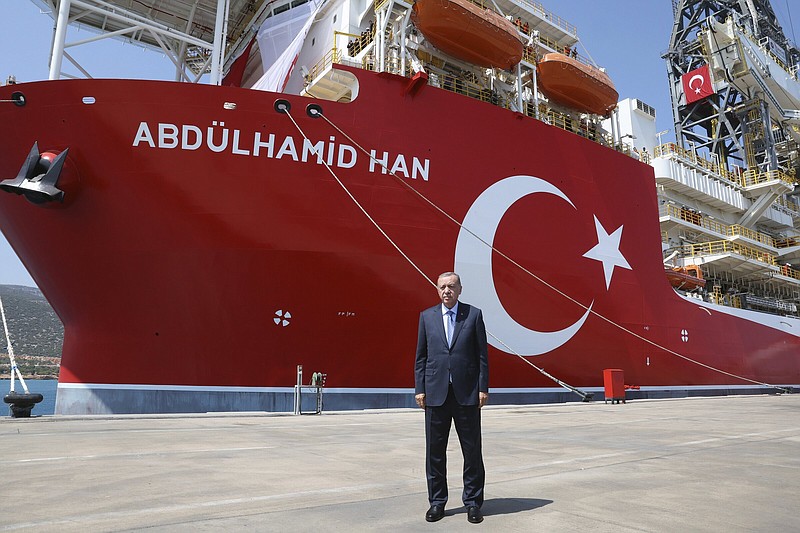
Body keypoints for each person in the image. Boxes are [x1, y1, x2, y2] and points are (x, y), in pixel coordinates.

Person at [414, 272, 489, 524]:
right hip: (435, 394)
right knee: (434, 452)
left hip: (466, 393)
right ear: (437, 290)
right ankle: (437, 502)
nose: (447, 290)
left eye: (451, 286)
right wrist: (419, 389)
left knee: (472, 451)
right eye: (442, 287)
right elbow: (421, 358)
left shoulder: (474, 315)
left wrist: (482, 388)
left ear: (460, 289)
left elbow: (481, 356)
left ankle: (473, 502)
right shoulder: (426, 317)